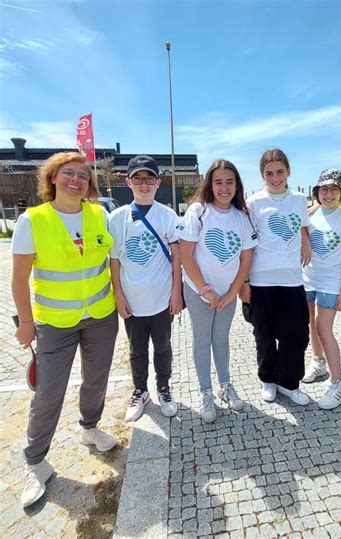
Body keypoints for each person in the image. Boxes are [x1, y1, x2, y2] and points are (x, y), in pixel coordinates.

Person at [11, 152, 118, 508]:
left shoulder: (98, 214)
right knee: (48, 392)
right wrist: (26, 323)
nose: (76, 180)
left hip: (101, 316)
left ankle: (90, 428)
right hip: (55, 322)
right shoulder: (33, 220)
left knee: (96, 379)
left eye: (83, 176)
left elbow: (112, 262)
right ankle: (35, 463)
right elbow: (19, 278)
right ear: (53, 178)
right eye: (68, 174)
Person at [177, 159, 257, 422]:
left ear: (237, 185)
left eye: (230, 182)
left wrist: (232, 292)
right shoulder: (198, 212)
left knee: (221, 340)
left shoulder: (242, 216)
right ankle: (205, 393)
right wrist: (205, 290)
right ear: (210, 184)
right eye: (218, 182)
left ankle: (225, 386)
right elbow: (186, 255)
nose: (224, 188)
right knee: (202, 341)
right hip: (199, 292)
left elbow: (246, 259)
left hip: (227, 294)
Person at [109, 155, 182, 422]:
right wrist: (118, 294)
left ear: (158, 182)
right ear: (128, 182)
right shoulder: (117, 218)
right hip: (133, 299)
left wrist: (177, 293)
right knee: (136, 349)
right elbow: (114, 260)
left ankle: (164, 387)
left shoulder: (168, 215)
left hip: (162, 299)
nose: (144, 183)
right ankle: (140, 390)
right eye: (138, 178)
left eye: (149, 178)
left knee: (163, 347)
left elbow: (177, 258)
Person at [240, 149, 312, 406]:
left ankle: (289, 382)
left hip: (292, 279)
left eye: (280, 171)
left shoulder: (300, 199)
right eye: (269, 173)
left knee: (296, 335)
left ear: (288, 171)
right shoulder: (254, 203)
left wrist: (306, 241)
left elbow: (302, 224)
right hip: (261, 280)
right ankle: (268, 379)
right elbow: (246, 244)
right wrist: (245, 282)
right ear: (262, 175)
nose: (275, 177)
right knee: (264, 335)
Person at [301, 169, 341, 409]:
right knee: (311, 323)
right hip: (308, 279)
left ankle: (338, 382)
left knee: (325, 328)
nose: (329, 194)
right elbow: (301, 229)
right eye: (324, 189)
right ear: (317, 192)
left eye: (334, 189)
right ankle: (318, 362)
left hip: (331, 282)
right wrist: (310, 210)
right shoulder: (311, 214)